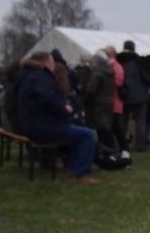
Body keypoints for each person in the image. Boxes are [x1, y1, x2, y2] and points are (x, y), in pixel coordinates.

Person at [15, 52, 99, 183]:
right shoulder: (39, 77)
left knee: (77, 132)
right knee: (88, 135)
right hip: (43, 126)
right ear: (47, 62)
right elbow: (47, 98)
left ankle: (72, 168)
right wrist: (64, 107)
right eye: (52, 62)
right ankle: (81, 173)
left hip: (33, 124)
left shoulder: (28, 75)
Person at [116, 40, 150, 152]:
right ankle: (140, 145)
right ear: (134, 48)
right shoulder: (139, 61)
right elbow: (147, 78)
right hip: (140, 95)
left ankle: (121, 144)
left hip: (124, 94)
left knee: (122, 121)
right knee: (140, 121)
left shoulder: (118, 61)